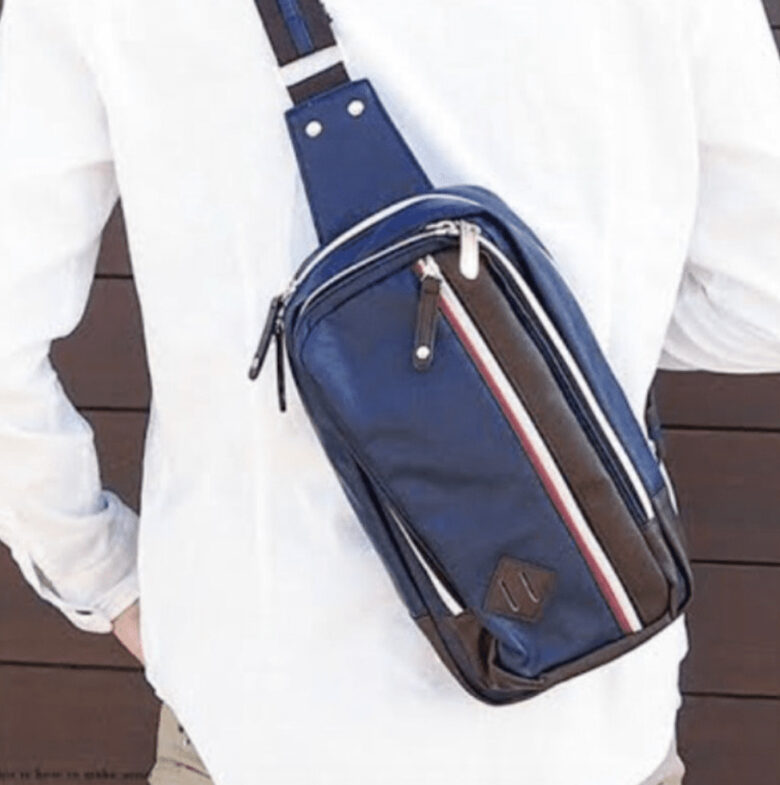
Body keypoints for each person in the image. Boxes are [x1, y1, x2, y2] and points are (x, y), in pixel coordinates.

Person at [1, 1, 778, 783]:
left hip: (269, 722)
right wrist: (546, 345)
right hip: (593, 717)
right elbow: (762, 299)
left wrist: (104, 578)